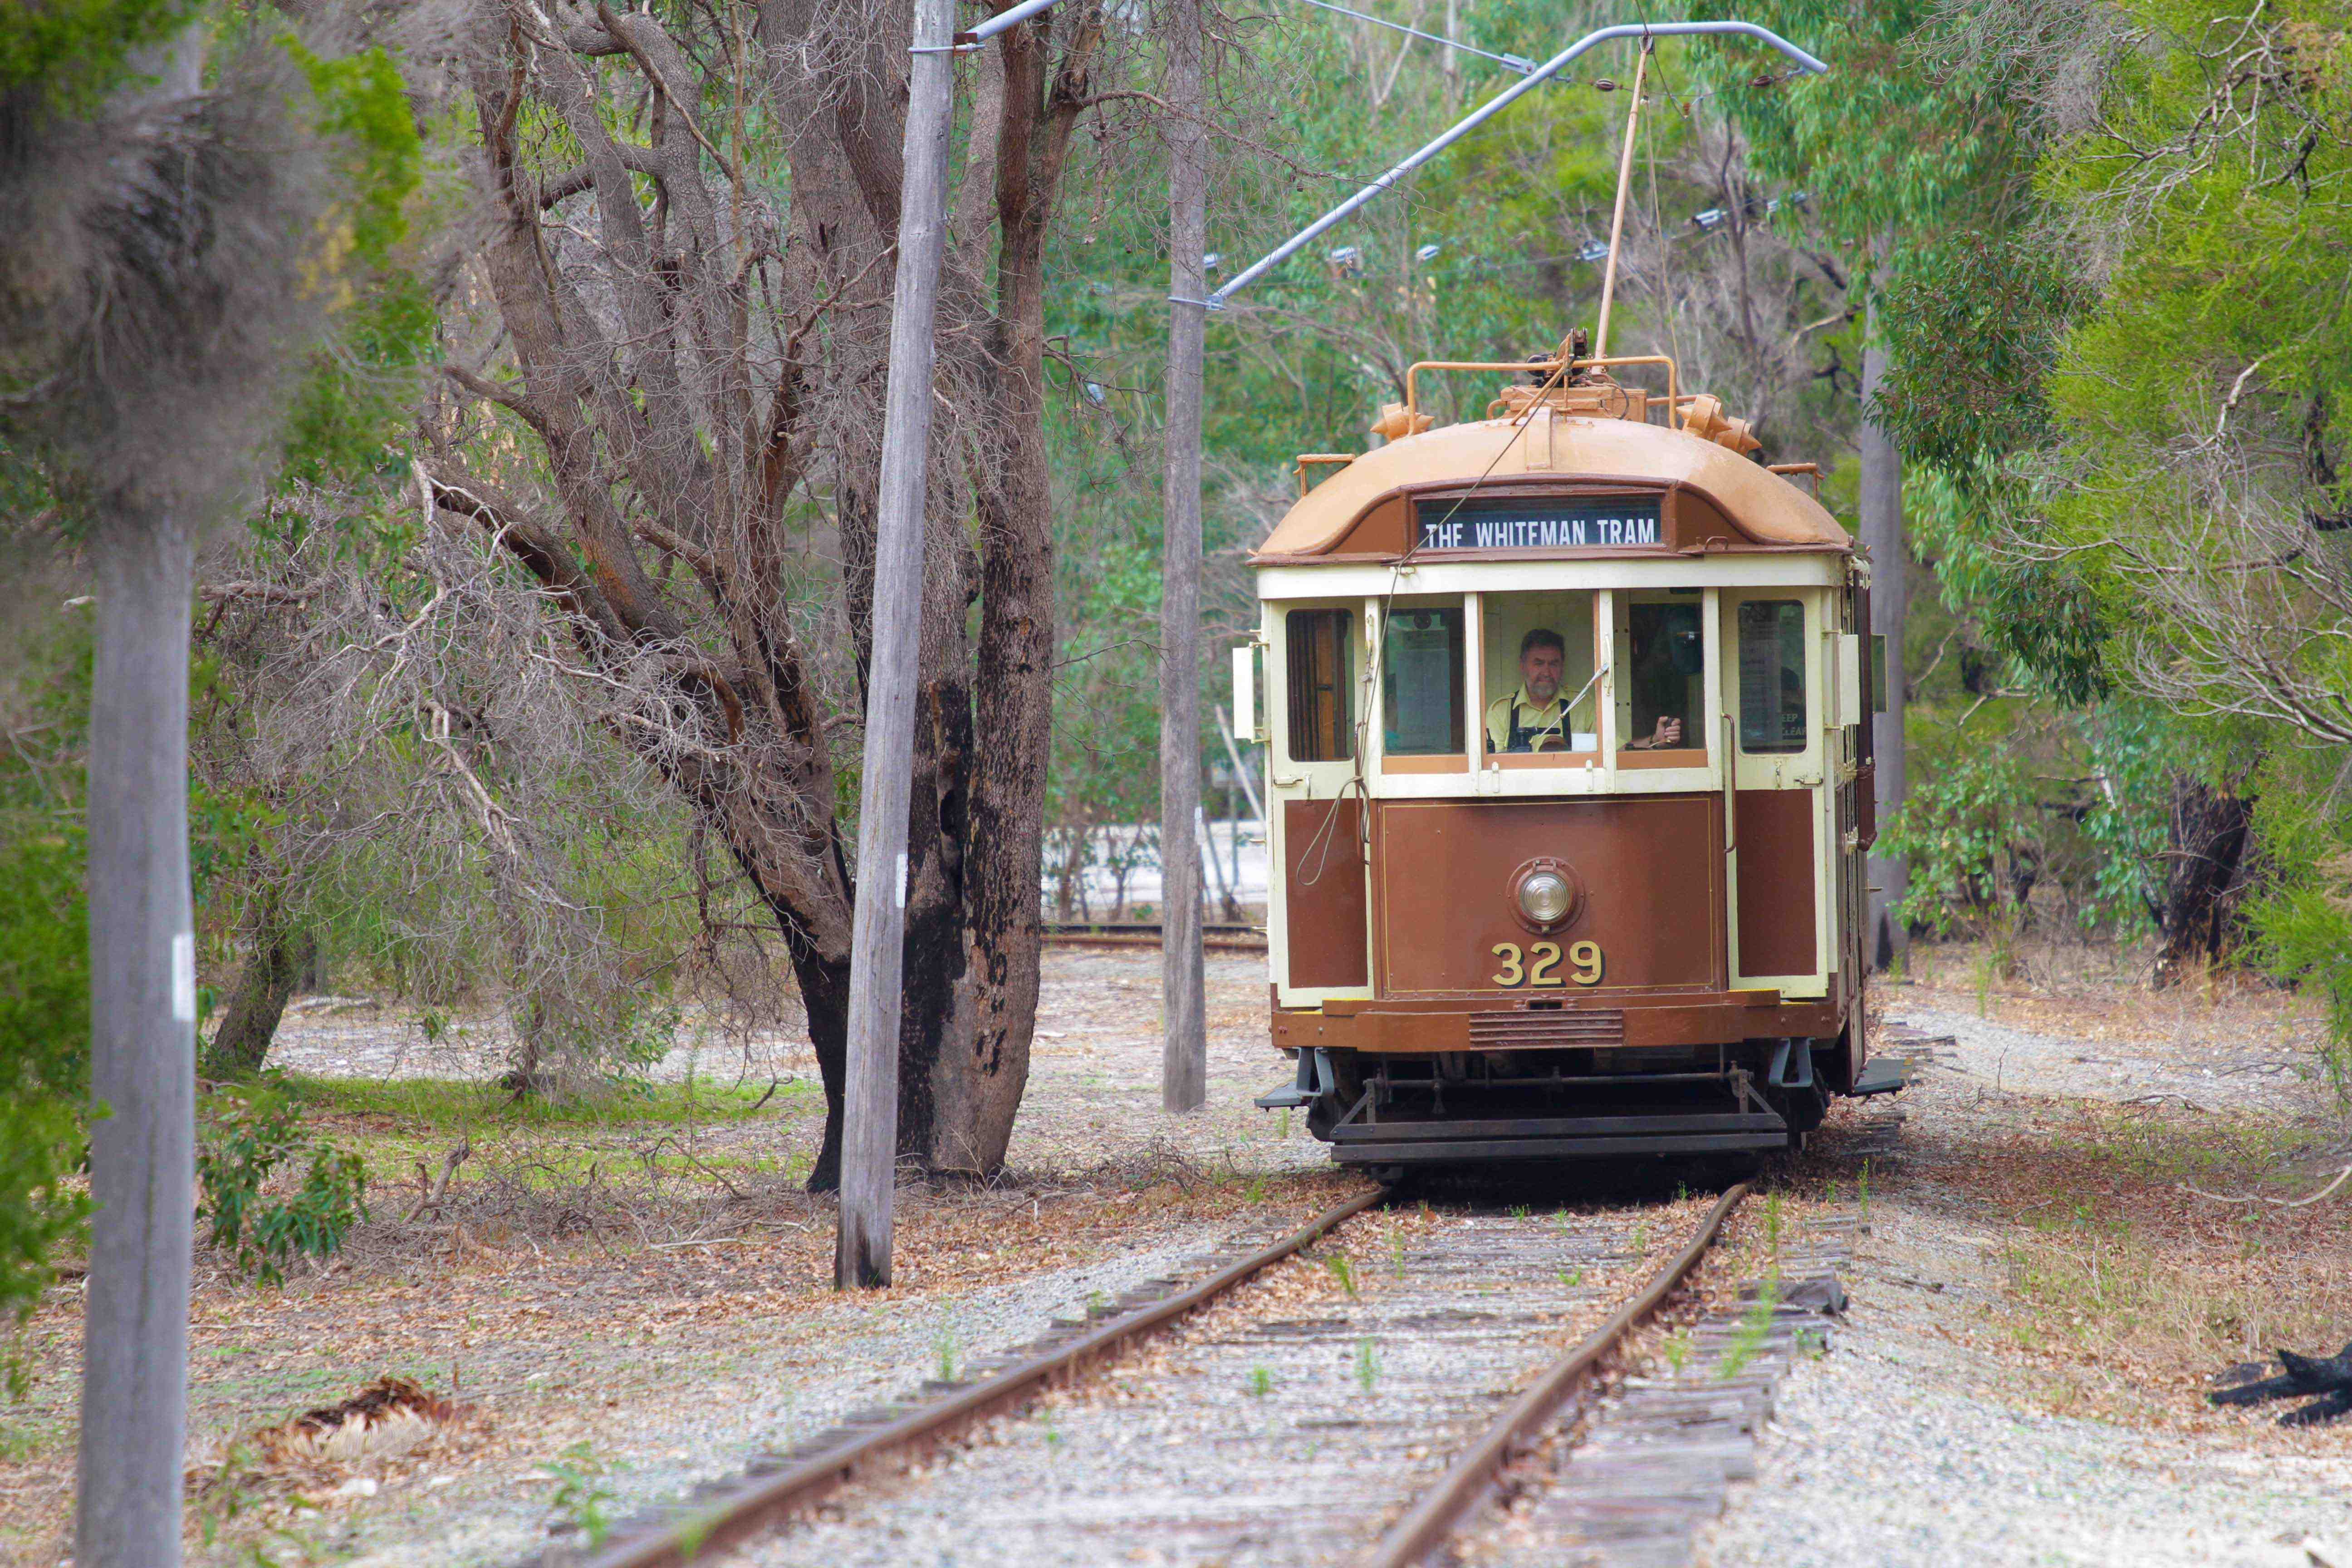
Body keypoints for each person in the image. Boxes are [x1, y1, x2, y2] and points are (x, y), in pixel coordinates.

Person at [1484, 627, 1682, 753]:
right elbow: (1492, 767)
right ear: (1522, 666)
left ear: (1562, 667)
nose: (1546, 672)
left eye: (1553, 664)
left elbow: (1616, 750)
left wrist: (1655, 740)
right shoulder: (1501, 711)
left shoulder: (1582, 704)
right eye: (1538, 663)